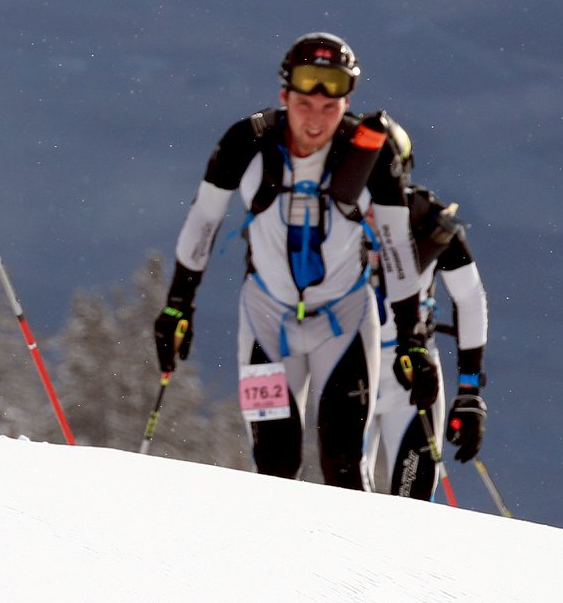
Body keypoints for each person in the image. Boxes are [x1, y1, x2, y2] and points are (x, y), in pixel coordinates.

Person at [154, 33, 431, 488]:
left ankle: (353, 561)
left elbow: (398, 248)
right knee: (275, 467)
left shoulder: (370, 153)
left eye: (330, 106)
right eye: (306, 104)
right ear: (285, 95)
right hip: (266, 319)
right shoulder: (248, 141)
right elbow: (204, 220)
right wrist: (176, 305)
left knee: (344, 468)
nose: (316, 120)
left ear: (347, 102)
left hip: (345, 319)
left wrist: (412, 339)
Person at [368, 181, 490, 499]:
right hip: (353, 368)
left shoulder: (426, 218)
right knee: (344, 491)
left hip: (412, 374)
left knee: (413, 502)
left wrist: (469, 393)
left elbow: (470, 297)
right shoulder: (333, 207)